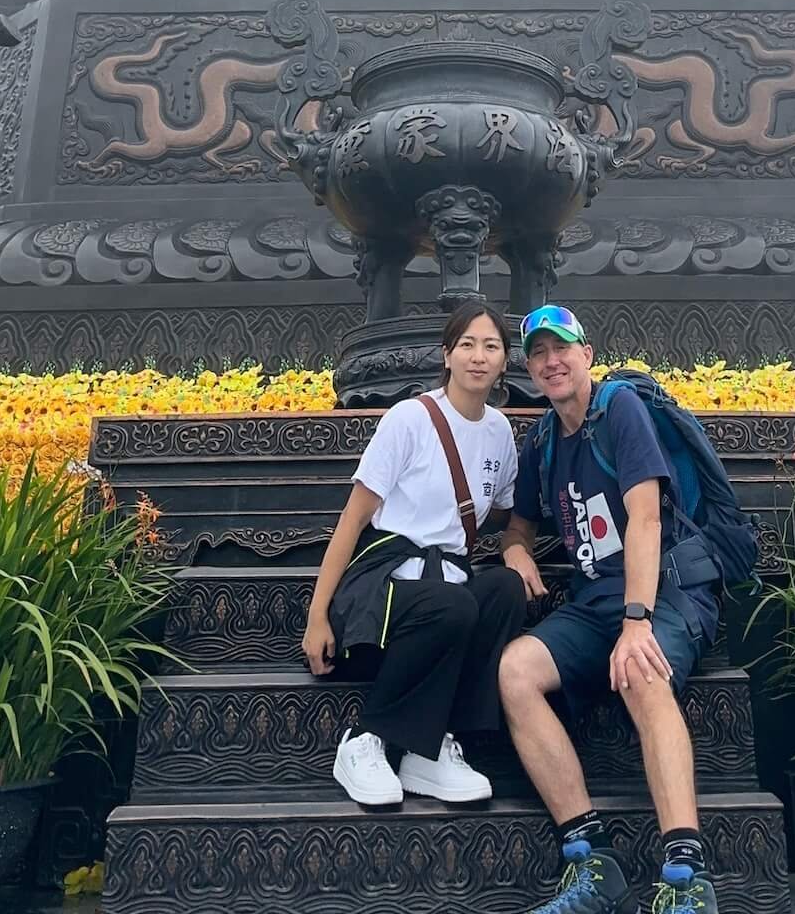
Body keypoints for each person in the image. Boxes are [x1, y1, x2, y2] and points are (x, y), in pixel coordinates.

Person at [498, 305, 722, 914]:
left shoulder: (619, 408)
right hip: (593, 602)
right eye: (539, 354)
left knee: (641, 674)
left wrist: (637, 621)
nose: (551, 362)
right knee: (515, 671)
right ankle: (592, 862)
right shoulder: (541, 440)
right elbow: (518, 527)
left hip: (665, 592)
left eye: (561, 349)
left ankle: (685, 879)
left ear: (587, 354)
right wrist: (517, 552)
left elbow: (646, 517)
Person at [301, 300, 535, 807]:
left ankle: (433, 750)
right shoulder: (410, 419)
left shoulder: (499, 433)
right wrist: (318, 614)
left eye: (491, 346)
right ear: (447, 355)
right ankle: (367, 740)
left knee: (502, 590)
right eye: (467, 345)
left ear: (503, 361)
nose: (479, 356)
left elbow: (512, 516)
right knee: (453, 604)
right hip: (385, 586)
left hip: (447, 590)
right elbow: (353, 518)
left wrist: (517, 548)